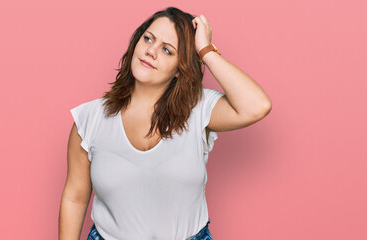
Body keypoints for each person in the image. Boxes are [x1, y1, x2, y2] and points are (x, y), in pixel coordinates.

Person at [58, 6, 272, 240]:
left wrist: (206, 51)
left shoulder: (199, 109)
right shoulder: (89, 118)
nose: (151, 51)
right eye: (148, 38)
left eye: (167, 50)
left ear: (180, 69)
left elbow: (257, 106)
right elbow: (75, 197)